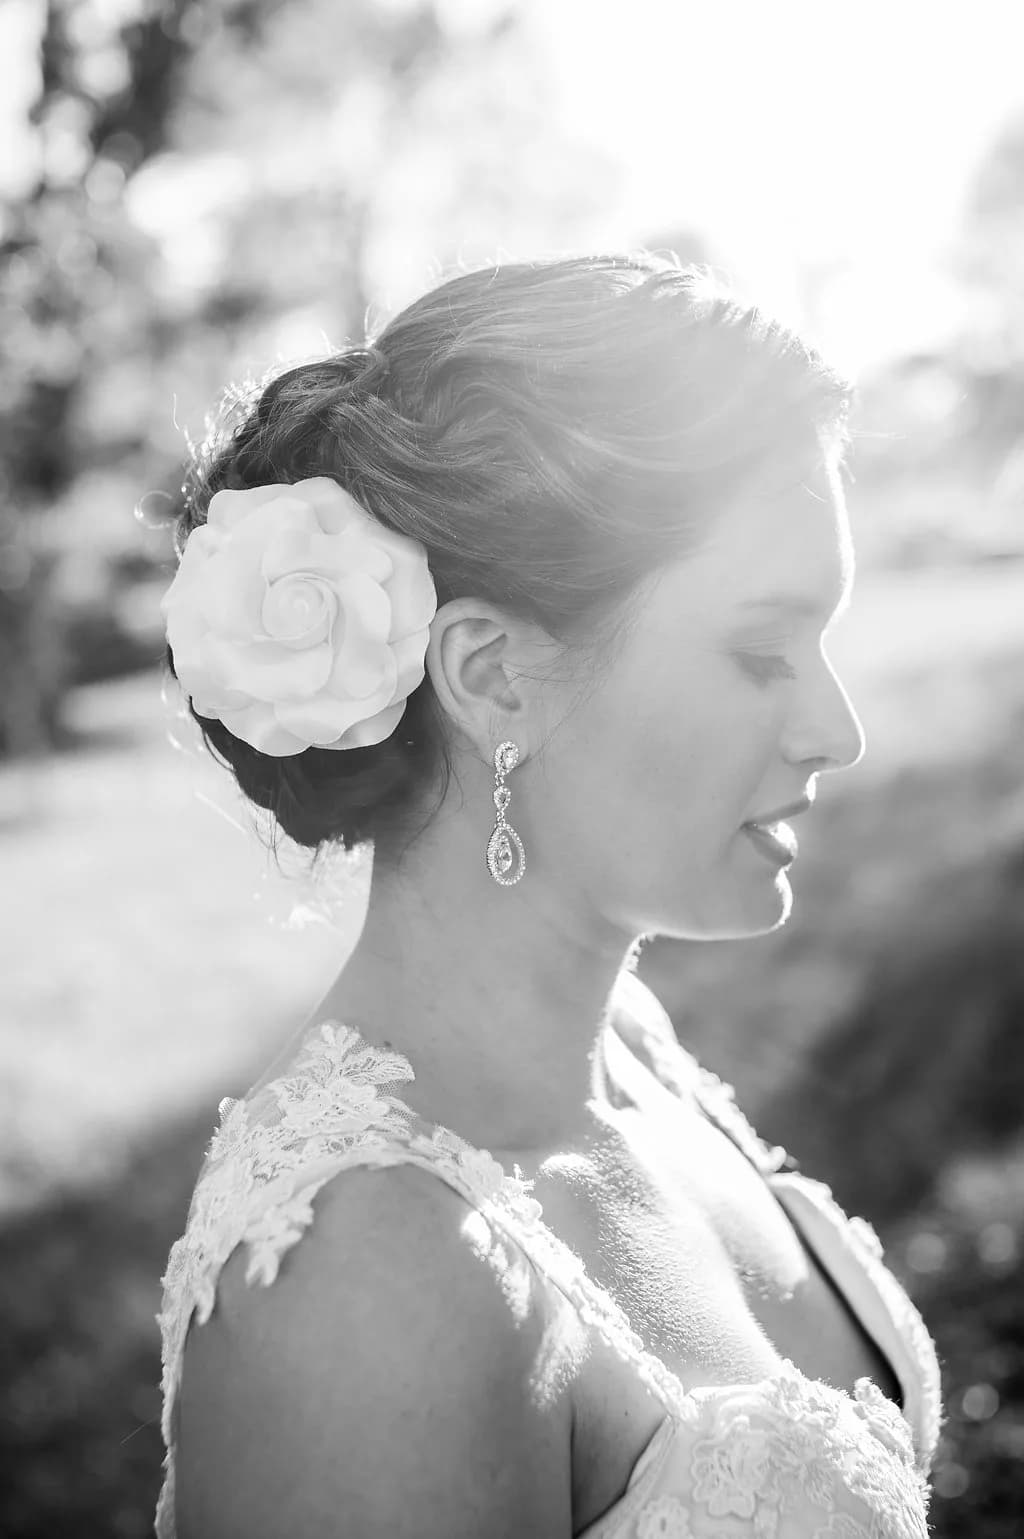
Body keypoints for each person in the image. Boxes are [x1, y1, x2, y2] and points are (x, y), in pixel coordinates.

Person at [154, 253, 942, 1538]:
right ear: (493, 676)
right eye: (761, 649)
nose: (836, 731)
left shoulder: (629, 1050)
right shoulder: (367, 1286)